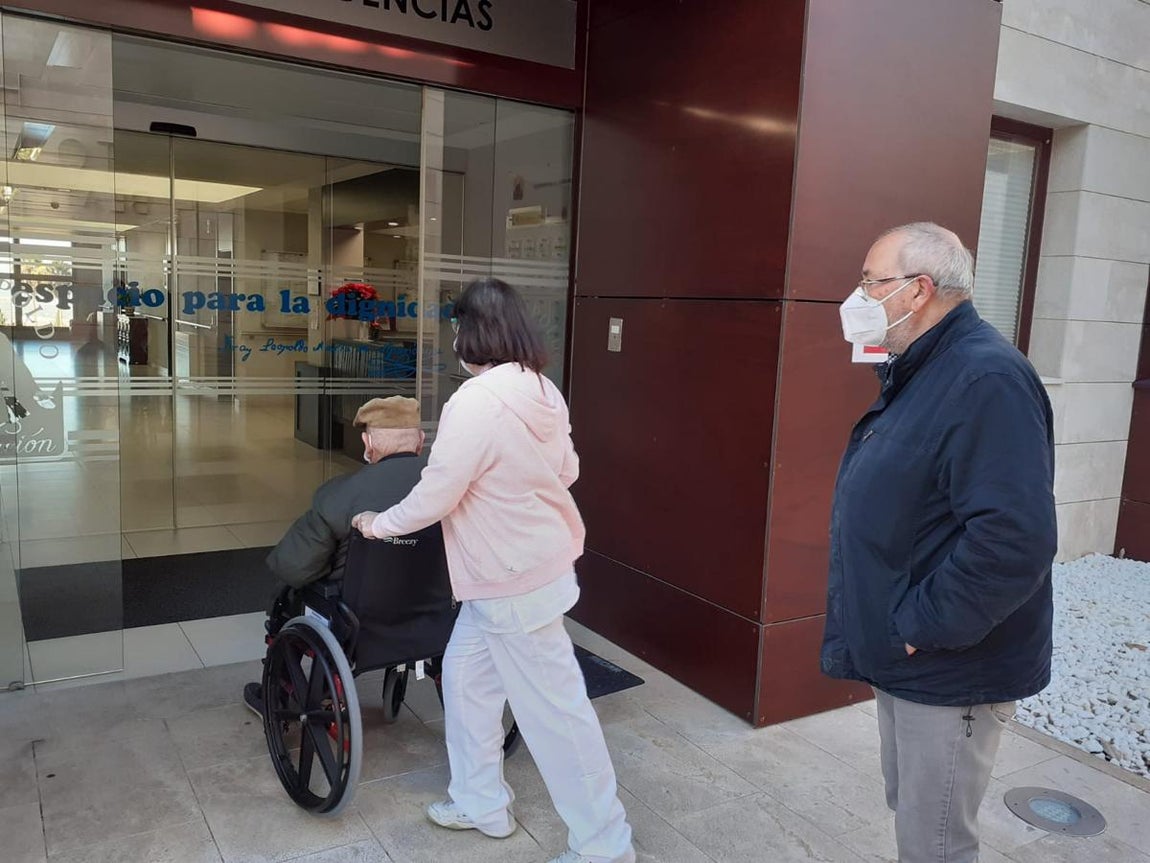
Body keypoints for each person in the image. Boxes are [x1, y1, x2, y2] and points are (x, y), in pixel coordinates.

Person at [352, 278, 635, 863]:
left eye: (457, 327)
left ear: (472, 332)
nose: (454, 338)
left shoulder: (475, 402)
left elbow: (438, 493)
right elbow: (567, 470)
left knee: (558, 719)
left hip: (510, 582)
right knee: (466, 683)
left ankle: (605, 847)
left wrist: (377, 524)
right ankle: (480, 803)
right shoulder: (541, 389)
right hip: (514, 575)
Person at [821, 222, 1057, 863]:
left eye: (871, 281)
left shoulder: (986, 379)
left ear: (919, 290)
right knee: (914, 813)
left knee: (936, 842)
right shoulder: (926, 370)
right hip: (911, 654)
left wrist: (918, 627)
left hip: (949, 665)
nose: (859, 296)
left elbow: (1015, 540)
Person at [243, 395, 430, 716]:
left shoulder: (341, 494)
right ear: (421, 439)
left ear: (367, 443)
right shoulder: (447, 487)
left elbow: (293, 567)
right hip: (434, 611)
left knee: (287, 598)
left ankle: (279, 692)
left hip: (355, 619)